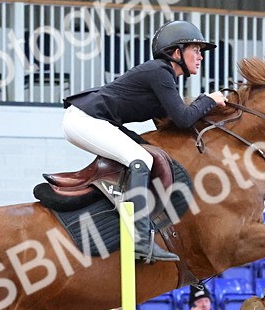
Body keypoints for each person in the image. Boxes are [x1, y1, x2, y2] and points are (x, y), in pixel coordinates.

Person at [62, 20, 228, 263]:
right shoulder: (160, 72)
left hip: (94, 120)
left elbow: (172, 124)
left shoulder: (164, 78)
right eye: (196, 50)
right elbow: (183, 118)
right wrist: (209, 100)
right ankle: (139, 239)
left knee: (145, 151)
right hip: (84, 119)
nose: (200, 56)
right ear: (176, 52)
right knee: (140, 159)